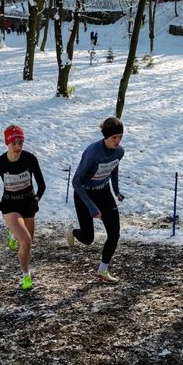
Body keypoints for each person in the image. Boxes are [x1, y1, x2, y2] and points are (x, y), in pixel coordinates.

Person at [0, 125, 46, 291]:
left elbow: (42, 184)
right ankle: (26, 275)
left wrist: (36, 199)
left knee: (28, 245)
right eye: (14, 143)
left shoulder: (30, 159)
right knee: (26, 241)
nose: (17, 147)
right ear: (7, 143)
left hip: (28, 203)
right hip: (10, 205)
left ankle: (13, 232)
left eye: (20, 143)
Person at [67, 117, 125, 282]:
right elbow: (76, 182)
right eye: (114, 137)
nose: (118, 140)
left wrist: (116, 190)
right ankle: (72, 231)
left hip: (103, 191)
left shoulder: (120, 151)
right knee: (88, 239)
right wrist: (92, 207)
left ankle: (102, 270)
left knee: (114, 234)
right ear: (106, 136)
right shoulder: (93, 153)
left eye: (120, 136)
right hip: (83, 193)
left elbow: (113, 166)